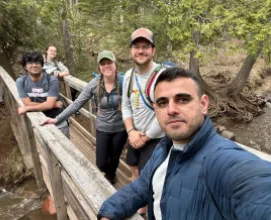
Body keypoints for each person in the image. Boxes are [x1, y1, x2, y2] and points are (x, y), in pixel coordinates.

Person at [98, 67, 271, 220]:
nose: (171, 110)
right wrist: (109, 211)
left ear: (203, 104)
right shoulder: (164, 148)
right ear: (155, 109)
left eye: (182, 99)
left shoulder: (225, 161)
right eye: (162, 102)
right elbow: (142, 187)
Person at [41, 50, 127, 184]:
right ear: (99, 67)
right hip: (103, 127)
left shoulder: (124, 82)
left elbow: (136, 102)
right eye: (102, 63)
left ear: (115, 64)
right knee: (101, 163)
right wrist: (57, 119)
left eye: (109, 62)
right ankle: (108, 169)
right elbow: (77, 104)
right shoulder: (95, 83)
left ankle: (111, 176)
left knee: (114, 156)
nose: (106, 66)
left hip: (120, 128)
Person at [123, 28, 166, 181]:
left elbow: (166, 113)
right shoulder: (129, 76)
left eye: (146, 47)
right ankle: (138, 201)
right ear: (131, 50)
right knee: (133, 167)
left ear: (153, 50)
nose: (141, 51)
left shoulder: (163, 76)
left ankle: (144, 205)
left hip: (156, 139)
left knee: (149, 178)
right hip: (135, 134)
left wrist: (144, 138)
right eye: (136, 46)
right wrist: (131, 132)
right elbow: (126, 106)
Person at [16, 51, 69, 138]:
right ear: (25, 66)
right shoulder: (21, 82)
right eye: (30, 63)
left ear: (42, 64)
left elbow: (32, 105)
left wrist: (28, 108)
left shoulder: (52, 80)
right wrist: (52, 105)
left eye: (37, 62)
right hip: (39, 121)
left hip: (58, 121)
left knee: (66, 149)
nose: (34, 65)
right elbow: (28, 103)